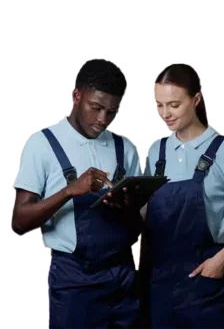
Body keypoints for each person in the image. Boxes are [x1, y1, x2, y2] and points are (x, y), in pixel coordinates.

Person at [11, 58, 144, 328]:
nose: (102, 120)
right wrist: (70, 190)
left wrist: (129, 208)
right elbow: (19, 222)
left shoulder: (125, 149)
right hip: (75, 280)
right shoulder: (42, 145)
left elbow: (140, 222)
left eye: (111, 112)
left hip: (122, 274)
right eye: (96, 108)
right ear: (76, 96)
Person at [140, 62, 224, 328]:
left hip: (205, 283)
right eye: (159, 105)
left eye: (174, 105)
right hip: (160, 282)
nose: (165, 114)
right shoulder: (156, 153)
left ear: (196, 99)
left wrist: (221, 260)